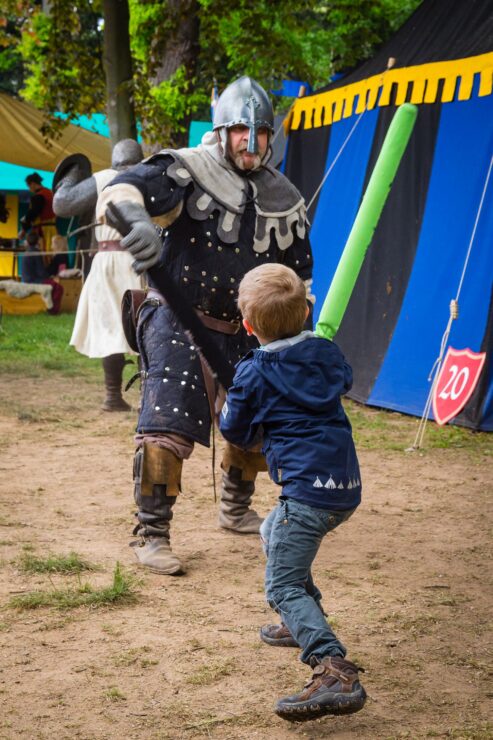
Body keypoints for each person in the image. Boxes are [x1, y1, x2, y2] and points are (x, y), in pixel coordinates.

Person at [101, 76, 313, 575]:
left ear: (271, 137)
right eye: (241, 129)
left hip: (247, 329)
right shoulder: (186, 169)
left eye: (260, 132)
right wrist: (137, 225)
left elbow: (299, 278)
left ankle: (235, 508)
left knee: (257, 420)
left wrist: (296, 339)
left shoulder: (286, 197)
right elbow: (124, 186)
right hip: (176, 316)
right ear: (222, 131)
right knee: (167, 422)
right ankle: (152, 532)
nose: (250, 140)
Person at [219, 263, 366, 722]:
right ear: (306, 311)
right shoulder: (325, 351)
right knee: (271, 533)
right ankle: (297, 623)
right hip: (344, 486)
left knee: (282, 581)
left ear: (246, 325)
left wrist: (234, 400)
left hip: (305, 494)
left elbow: (236, 432)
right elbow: (343, 379)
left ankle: (332, 668)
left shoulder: (254, 371)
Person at [53, 139, 144, 411]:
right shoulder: (148, 177)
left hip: (108, 261)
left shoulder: (104, 178)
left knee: (113, 327)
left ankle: (113, 396)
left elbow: (62, 202)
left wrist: (73, 173)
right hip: (141, 260)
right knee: (145, 327)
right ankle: (144, 399)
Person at [18, 172, 57, 253]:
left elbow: (33, 213)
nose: (29, 189)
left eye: (29, 186)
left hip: (43, 231)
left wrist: (23, 230)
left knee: (43, 255)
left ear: (32, 184)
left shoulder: (39, 196)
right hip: (52, 230)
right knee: (52, 253)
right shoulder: (50, 193)